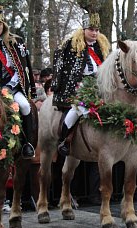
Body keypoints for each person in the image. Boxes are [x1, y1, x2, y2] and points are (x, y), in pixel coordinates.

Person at [0, 4, 36, 159]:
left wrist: (8, 87)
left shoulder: (14, 42)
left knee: (25, 106)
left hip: (10, 86)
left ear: (3, 25)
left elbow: (21, 69)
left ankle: (27, 144)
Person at [52, 12, 110, 156]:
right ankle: (64, 139)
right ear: (84, 29)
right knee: (77, 109)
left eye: (97, 30)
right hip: (80, 86)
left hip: (99, 85)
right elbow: (64, 69)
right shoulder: (72, 46)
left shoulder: (100, 47)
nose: (94, 33)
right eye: (91, 29)